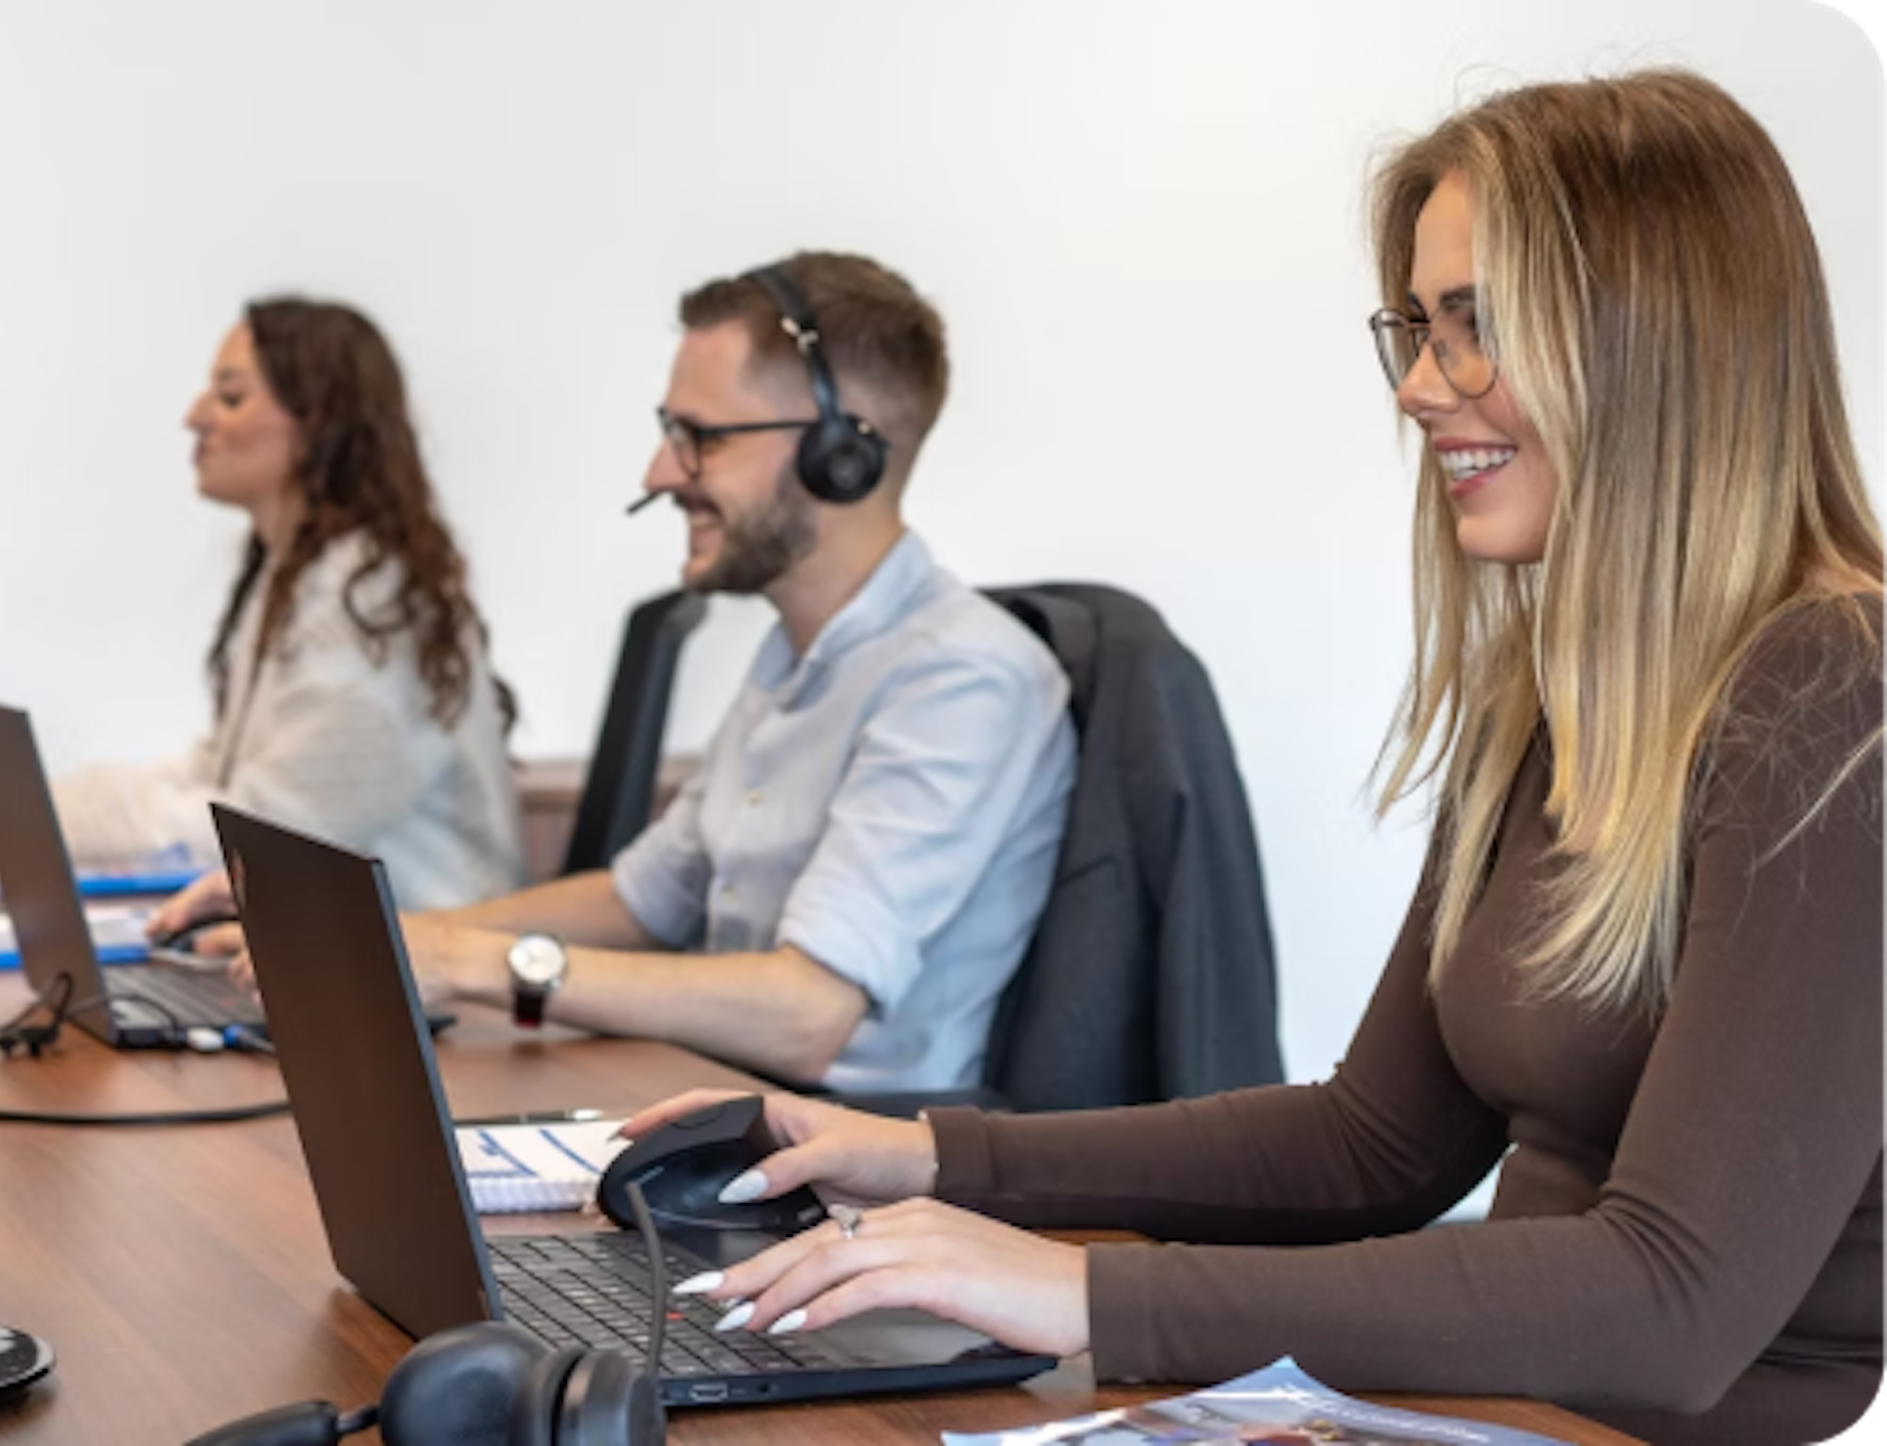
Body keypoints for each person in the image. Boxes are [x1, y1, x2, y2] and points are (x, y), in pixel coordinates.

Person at [620, 70, 1887, 1446]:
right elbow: (1376, 1143)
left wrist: (1094, 1293)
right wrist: (927, 1155)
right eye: (1414, 326)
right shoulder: (1556, 693)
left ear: (1658, 342)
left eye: (1474, 327)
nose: (1417, 384)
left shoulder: (1837, 690)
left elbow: (1669, 1300)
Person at [193, 252, 1077, 1092]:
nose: (661, 475)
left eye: (700, 438)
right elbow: (641, 899)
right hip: (708, 1102)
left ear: (841, 453)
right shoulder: (792, 658)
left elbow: (810, 1013)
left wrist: (468, 964)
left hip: (848, 1178)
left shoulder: (962, 677)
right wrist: (369, 932)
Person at [30, 298, 526, 922]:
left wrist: (40, 816)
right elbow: (222, 772)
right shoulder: (297, 574)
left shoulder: (372, 604)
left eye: (231, 398)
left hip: (432, 989)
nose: (194, 417)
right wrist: (44, 806)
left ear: (320, 424)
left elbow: (276, 832)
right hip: (342, 952)